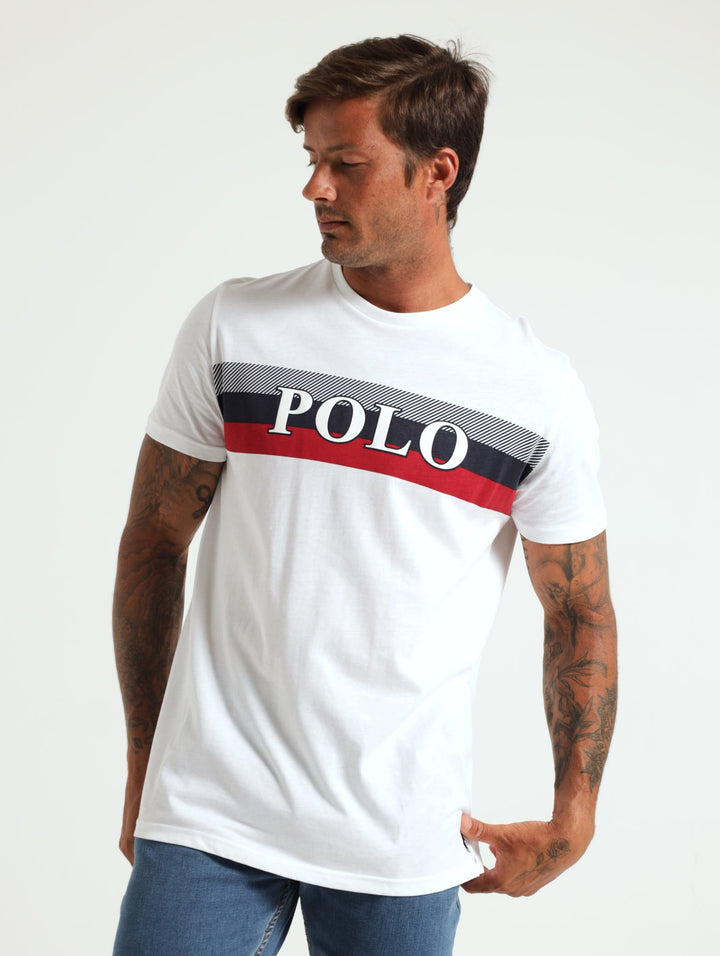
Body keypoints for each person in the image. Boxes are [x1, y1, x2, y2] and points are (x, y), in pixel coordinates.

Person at [112, 34, 617, 956]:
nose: (316, 187)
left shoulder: (534, 391)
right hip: (210, 816)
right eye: (311, 160)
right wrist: (145, 765)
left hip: (401, 839)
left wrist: (573, 817)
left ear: (438, 173)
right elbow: (154, 539)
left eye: (347, 163)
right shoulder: (237, 325)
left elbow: (579, 609)